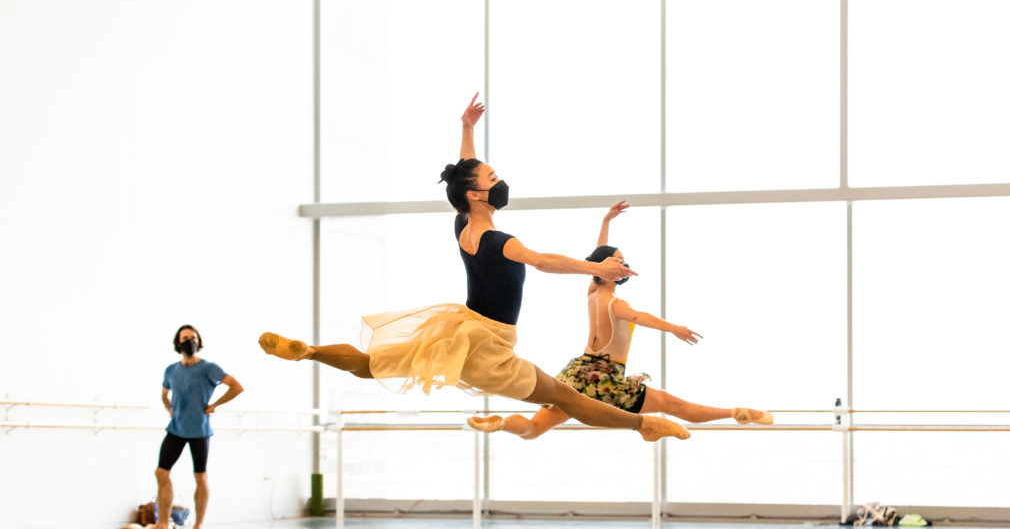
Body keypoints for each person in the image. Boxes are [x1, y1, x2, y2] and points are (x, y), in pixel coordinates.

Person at [259, 94, 688, 442]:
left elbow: (464, 178)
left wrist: (467, 130)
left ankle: (311, 351)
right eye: (493, 179)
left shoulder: (463, 224)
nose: (499, 182)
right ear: (479, 196)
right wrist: (596, 269)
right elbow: (543, 261)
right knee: (567, 397)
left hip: (455, 331)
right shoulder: (501, 242)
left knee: (374, 362)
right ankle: (644, 425)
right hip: (491, 347)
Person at [467, 201, 773, 438]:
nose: (623, 264)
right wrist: (675, 328)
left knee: (534, 428)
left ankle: (503, 423)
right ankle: (737, 411)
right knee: (673, 406)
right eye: (619, 260)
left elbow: (596, 260)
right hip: (607, 380)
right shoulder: (615, 302)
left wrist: (606, 222)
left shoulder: (593, 292)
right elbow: (638, 315)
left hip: (578, 373)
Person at [137, 324, 244, 529]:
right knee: (161, 472)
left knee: (200, 477)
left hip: (200, 430)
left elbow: (236, 386)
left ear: (199, 341)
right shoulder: (171, 370)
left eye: (193, 337)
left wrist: (214, 405)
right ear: (178, 343)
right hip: (176, 429)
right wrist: (170, 409)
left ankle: (198, 527)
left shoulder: (208, 368)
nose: (189, 341)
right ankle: (162, 526)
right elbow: (164, 394)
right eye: (185, 338)